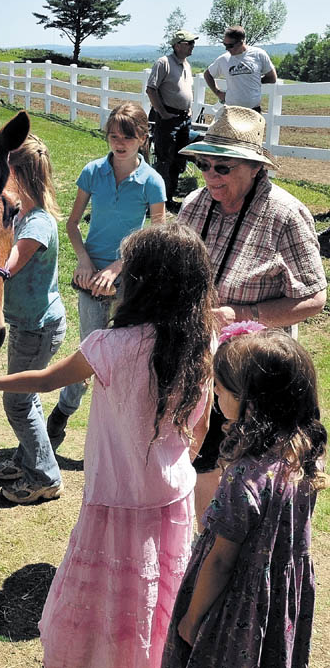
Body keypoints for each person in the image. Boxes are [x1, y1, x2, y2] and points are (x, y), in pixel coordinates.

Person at [0, 222, 215, 667]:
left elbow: (44, 380)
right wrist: (178, 465)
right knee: (160, 592)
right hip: (172, 496)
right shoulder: (204, 341)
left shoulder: (110, 345)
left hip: (113, 499)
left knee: (106, 596)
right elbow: (203, 424)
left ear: (138, 283)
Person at [177, 105, 327, 526]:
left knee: (250, 467)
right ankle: (203, 549)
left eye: (221, 167)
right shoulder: (194, 204)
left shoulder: (286, 214)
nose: (209, 176)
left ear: (254, 168)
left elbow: (314, 298)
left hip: (256, 374)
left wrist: (244, 312)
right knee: (200, 457)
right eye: (203, 164)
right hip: (199, 360)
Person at [162, 325, 327, 668]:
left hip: (236, 602)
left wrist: (192, 619)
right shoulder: (305, 454)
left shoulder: (245, 476)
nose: (216, 398)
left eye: (220, 390)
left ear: (250, 402)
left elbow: (222, 561)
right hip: (279, 599)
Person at [45, 102, 166, 447]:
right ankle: (63, 413)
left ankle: (120, 433)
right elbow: (71, 225)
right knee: (92, 354)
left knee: (128, 357)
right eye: (114, 136)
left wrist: (117, 267)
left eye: (128, 136)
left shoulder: (152, 182)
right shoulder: (92, 172)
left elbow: (156, 236)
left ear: (143, 138)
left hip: (129, 281)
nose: (120, 143)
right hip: (90, 278)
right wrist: (84, 262)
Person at [0, 133, 67, 504]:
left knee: (17, 402)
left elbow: (7, 268)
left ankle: (46, 477)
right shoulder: (21, 213)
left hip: (38, 328)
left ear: (18, 174)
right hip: (28, 324)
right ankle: (27, 459)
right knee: (27, 396)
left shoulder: (37, 224)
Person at [146, 29, 198, 205]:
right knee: (164, 159)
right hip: (169, 118)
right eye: (189, 43)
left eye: (193, 43)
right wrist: (162, 112)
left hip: (184, 119)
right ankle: (158, 199)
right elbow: (151, 89)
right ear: (177, 45)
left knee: (179, 158)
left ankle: (169, 197)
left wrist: (188, 109)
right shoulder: (164, 63)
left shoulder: (186, 65)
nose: (193, 46)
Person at [203, 25, 277, 112]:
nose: (226, 48)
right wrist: (218, 93)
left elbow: (272, 78)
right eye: (224, 44)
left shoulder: (259, 54)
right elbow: (207, 74)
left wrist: (255, 80)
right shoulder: (223, 59)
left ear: (241, 42)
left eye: (230, 45)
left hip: (254, 111)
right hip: (231, 111)